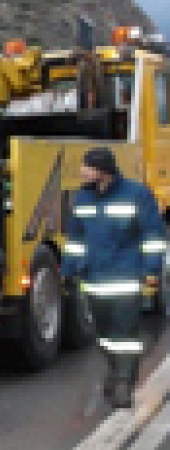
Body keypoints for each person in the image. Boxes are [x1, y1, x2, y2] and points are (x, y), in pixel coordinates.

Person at [62, 147, 167, 408]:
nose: (81, 172)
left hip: (126, 279)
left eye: (86, 167)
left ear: (102, 171)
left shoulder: (137, 194)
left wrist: (152, 270)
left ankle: (124, 383)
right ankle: (114, 370)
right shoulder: (82, 199)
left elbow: (153, 235)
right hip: (94, 281)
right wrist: (68, 270)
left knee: (126, 335)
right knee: (105, 335)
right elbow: (75, 239)